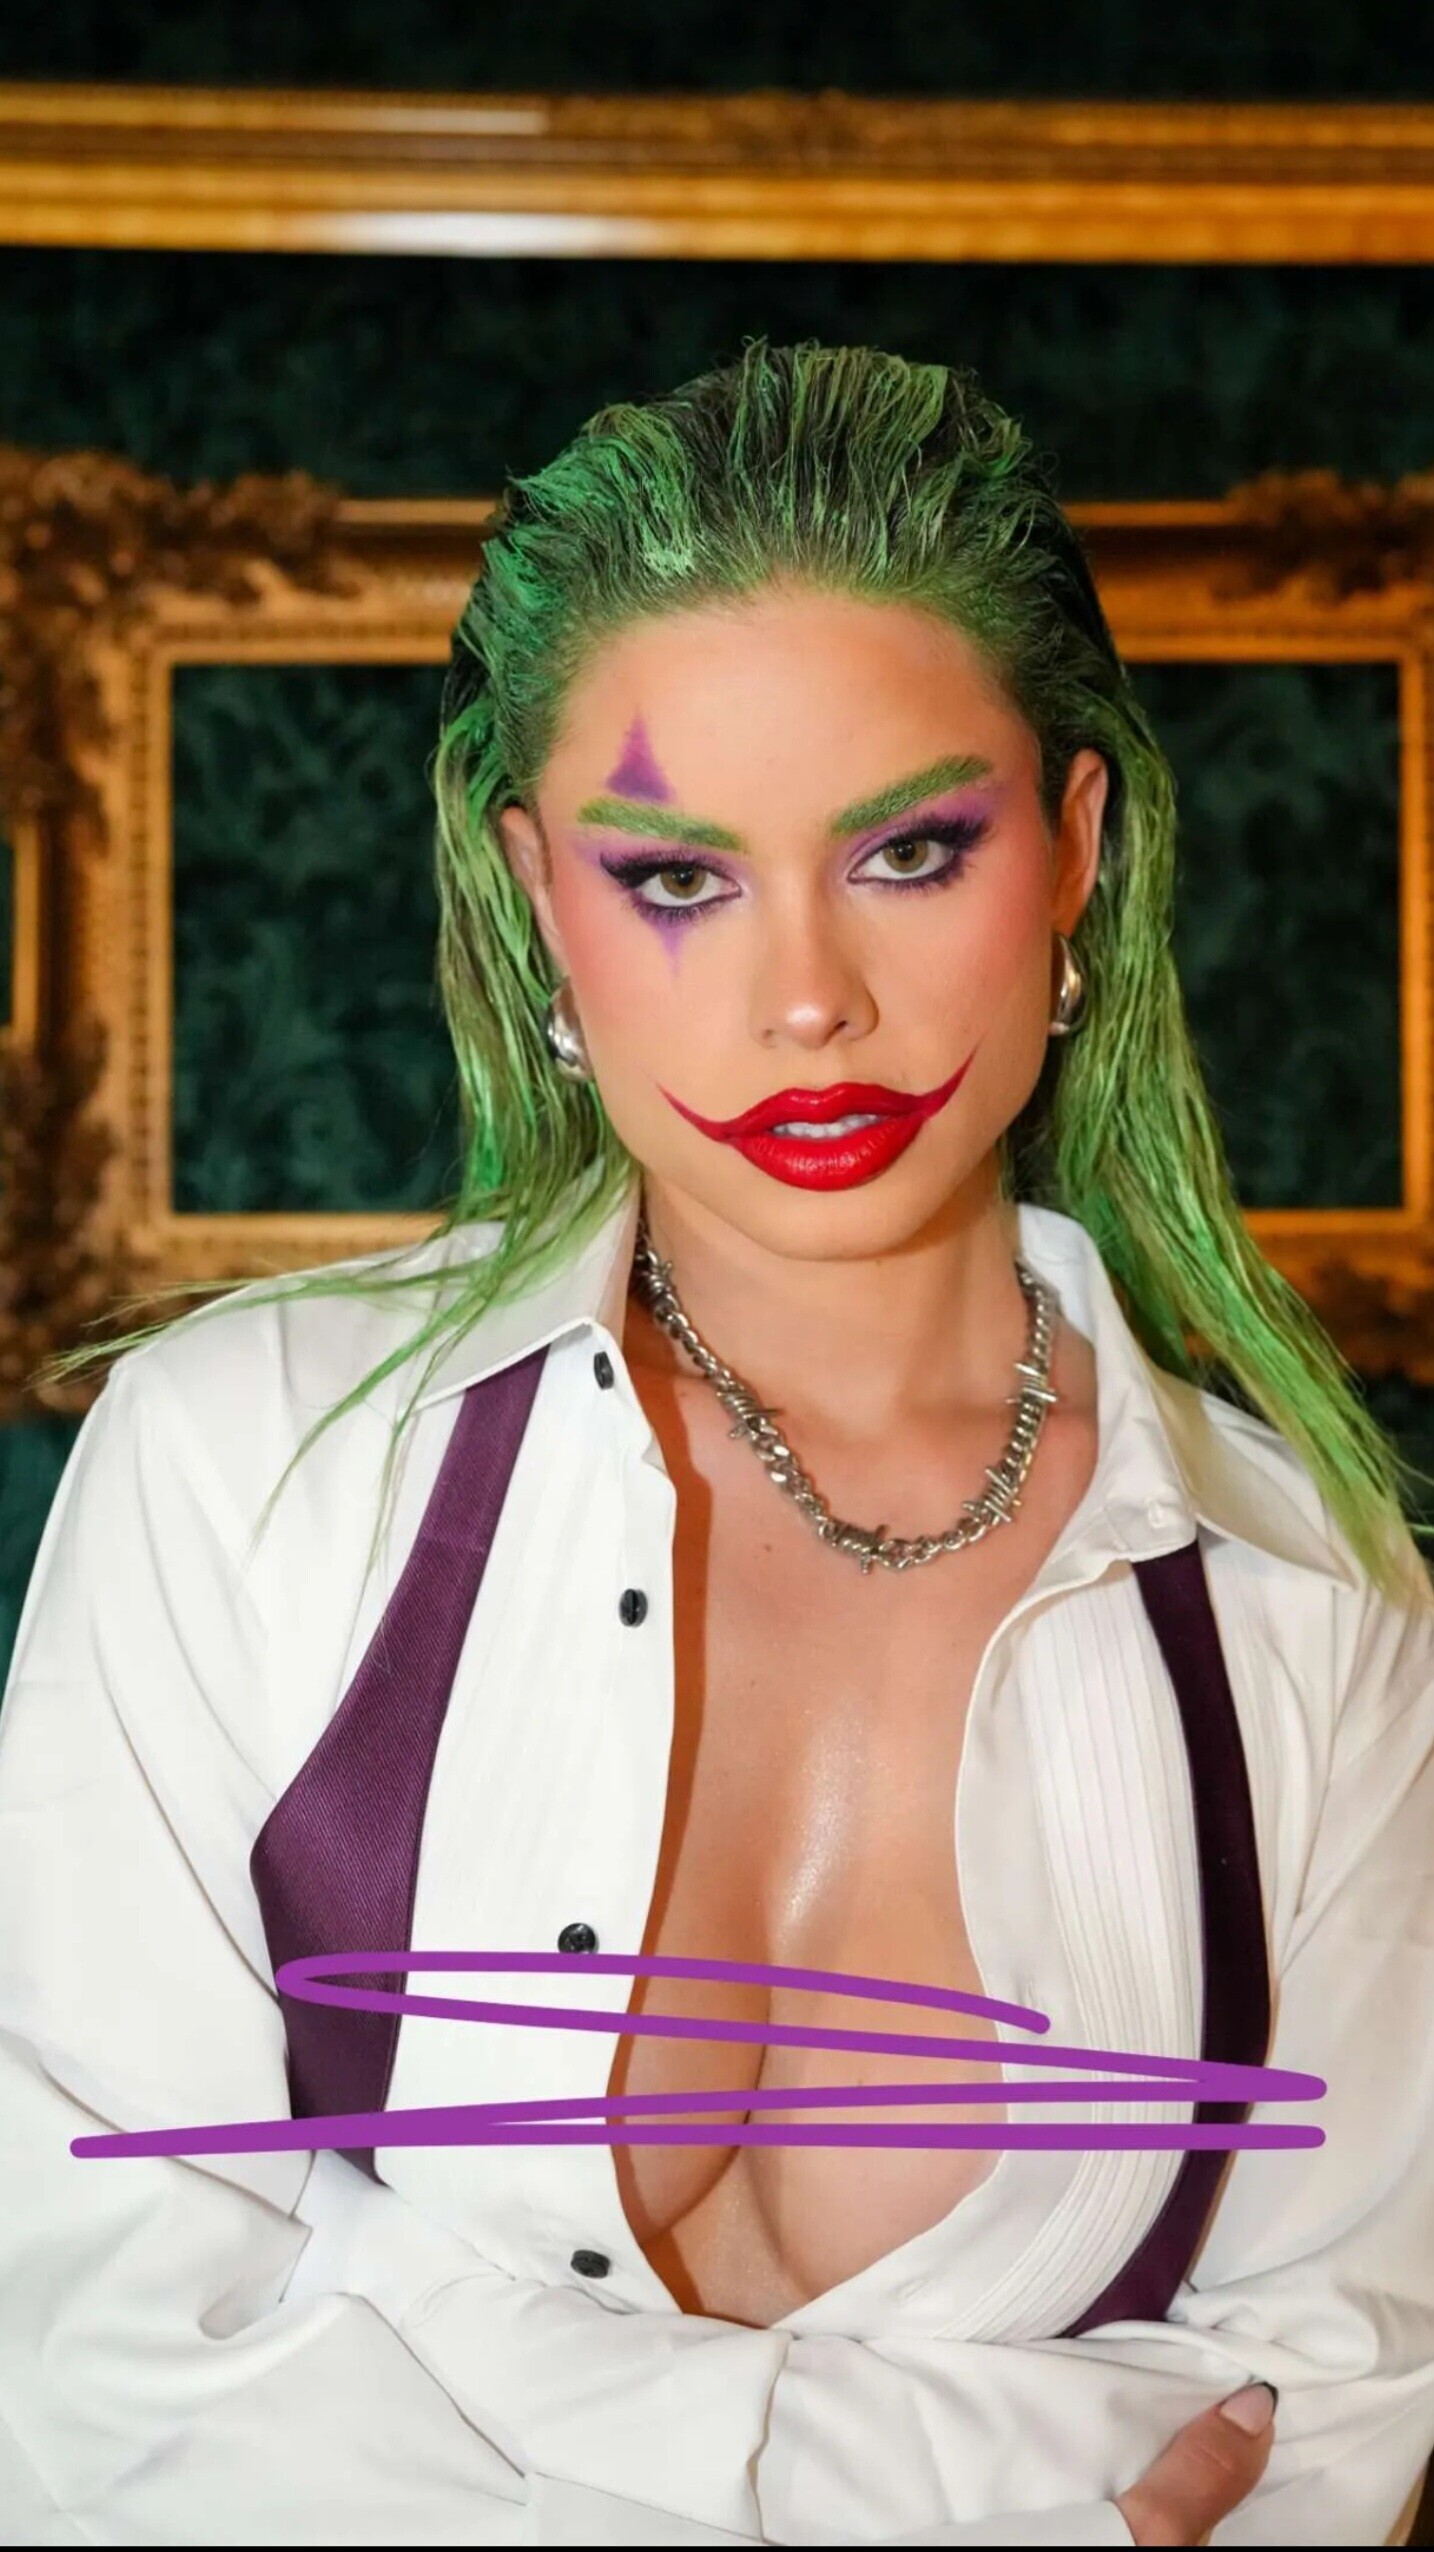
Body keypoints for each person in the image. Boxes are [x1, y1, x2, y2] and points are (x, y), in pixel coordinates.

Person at [1, 341, 1432, 2550]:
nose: (805, 999)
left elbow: (1326, 2402)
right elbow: (91, 2356)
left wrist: (438, 2353)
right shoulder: (240, 1474)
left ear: (1073, 847)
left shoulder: (1315, 1598)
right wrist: (1020, 2483)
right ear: (536, 901)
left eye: (911, 850)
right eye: (676, 877)